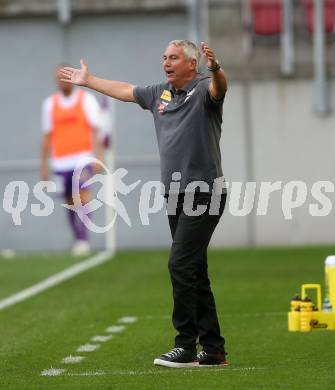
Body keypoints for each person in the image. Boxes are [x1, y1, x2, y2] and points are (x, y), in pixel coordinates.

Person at [59, 40, 228, 367]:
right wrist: (89, 80)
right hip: (174, 194)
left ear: (192, 64)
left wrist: (217, 68)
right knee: (195, 271)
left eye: (174, 58)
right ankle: (214, 349)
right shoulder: (159, 94)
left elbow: (220, 88)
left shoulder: (205, 87)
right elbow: (125, 90)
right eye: (164, 57)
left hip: (204, 193)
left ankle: (186, 346)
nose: (166, 62)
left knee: (179, 265)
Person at [40, 65, 103, 256]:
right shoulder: (50, 104)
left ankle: (83, 240)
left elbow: (96, 129)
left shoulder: (86, 100)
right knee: (69, 200)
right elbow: (47, 137)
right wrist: (44, 165)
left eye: (65, 78)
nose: (61, 82)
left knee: (82, 195)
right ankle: (78, 238)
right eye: (58, 78)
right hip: (60, 162)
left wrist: (98, 157)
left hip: (82, 158)